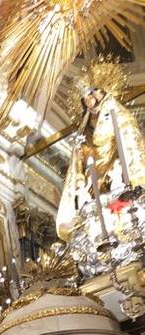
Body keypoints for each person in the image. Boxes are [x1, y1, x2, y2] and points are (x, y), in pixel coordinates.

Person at [56, 66, 145, 242]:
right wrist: (80, 173)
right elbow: (81, 157)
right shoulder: (84, 129)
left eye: (91, 95)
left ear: (102, 94)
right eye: (85, 99)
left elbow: (129, 144)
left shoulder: (118, 115)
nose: (89, 101)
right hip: (95, 182)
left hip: (118, 174)